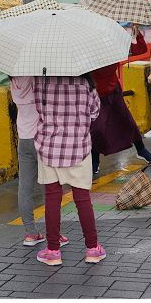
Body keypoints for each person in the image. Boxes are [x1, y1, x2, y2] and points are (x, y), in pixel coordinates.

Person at [31, 74, 106, 266]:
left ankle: (53, 251)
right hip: (78, 148)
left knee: (52, 199)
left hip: (49, 147)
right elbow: (95, 112)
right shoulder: (85, 83)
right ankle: (92, 249)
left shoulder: (41, 80)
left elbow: (38, 108)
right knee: (82, 199)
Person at [10, 76, 69, 248]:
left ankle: (30, 233)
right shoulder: (36, 75)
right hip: (41, 138)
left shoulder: (14, 80)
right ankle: (54, 235)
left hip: (24, 139)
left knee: (24, 187)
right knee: (50, 188)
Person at [90, 25, 151, 174]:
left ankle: (141, 149)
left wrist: (136, 32)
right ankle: (95, 159)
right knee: (97, 129)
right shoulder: (88, 51)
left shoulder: (114, 47)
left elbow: (140, 49)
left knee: (127, 121)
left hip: (114, 91)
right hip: (95, 95)